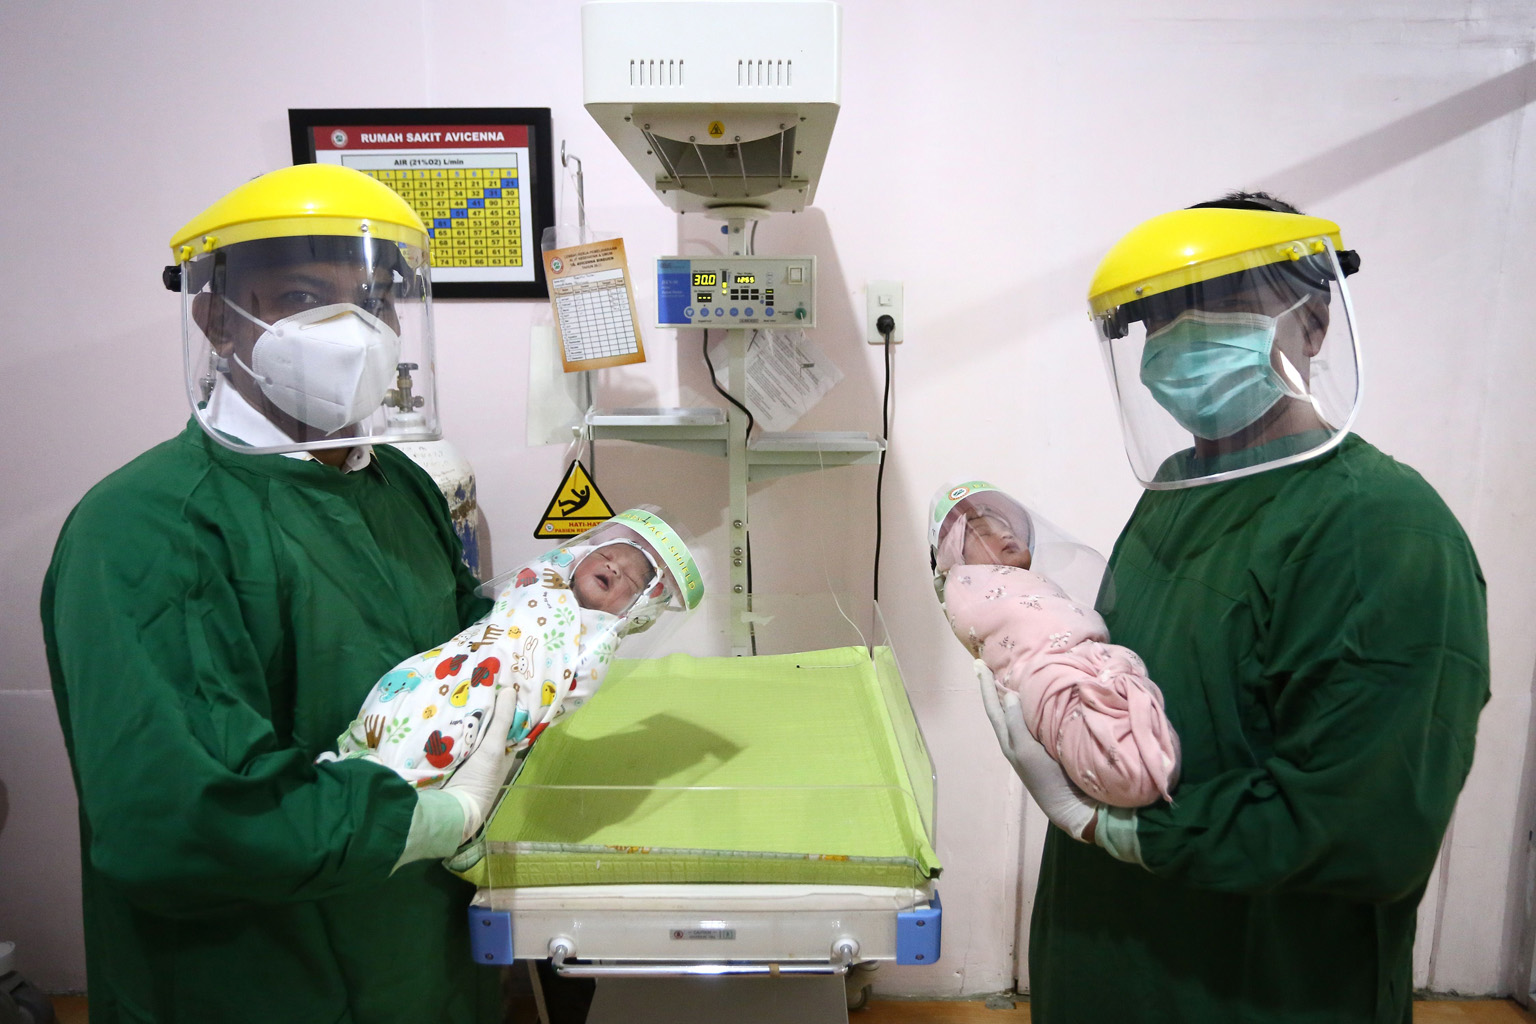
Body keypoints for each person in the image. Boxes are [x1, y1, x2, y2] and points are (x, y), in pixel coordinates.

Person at [981, 193, 1490, 1022]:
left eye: (1220, 304)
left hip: (1257, 989)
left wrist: (1114, 830)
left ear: (1313, 322)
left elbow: (1365, 823)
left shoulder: (1382, 529)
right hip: (1109, 965)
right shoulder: (1178, 491)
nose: (1181, 337)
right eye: (1160, 318)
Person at [41, 164, 512, 1023]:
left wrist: (550, 621)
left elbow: (459, 654)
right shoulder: (148, 526)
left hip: (422, 952)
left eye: (374, 299)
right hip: (258, 980)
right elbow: (184, 818)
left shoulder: (398, 484)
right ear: (217, 318)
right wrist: (435, 821)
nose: (353, 330)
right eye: (302, 297)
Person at [328, 510, 703, 789]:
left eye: (632, 580)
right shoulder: (542, 583)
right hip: (454, 665)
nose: (616, 568)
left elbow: (567, 694)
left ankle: (396, 784)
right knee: (404, 695)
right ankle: (362, 760)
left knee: (445, 733)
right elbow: (513, 606)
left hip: (494, 696)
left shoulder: (596, 644)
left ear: (633, 610)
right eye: (607, 557)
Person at [929, 482, 1179, 807]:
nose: (1004, 533)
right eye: (983, 531)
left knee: (1128, 709)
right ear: (957, 560)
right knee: (1091, 729)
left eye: (1008, 528)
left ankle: (1139, 752)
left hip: (1089, 663)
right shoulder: (968, 592)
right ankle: (1128, 769)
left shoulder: (1037, 586)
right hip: (1048, 676)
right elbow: (1029, 636)